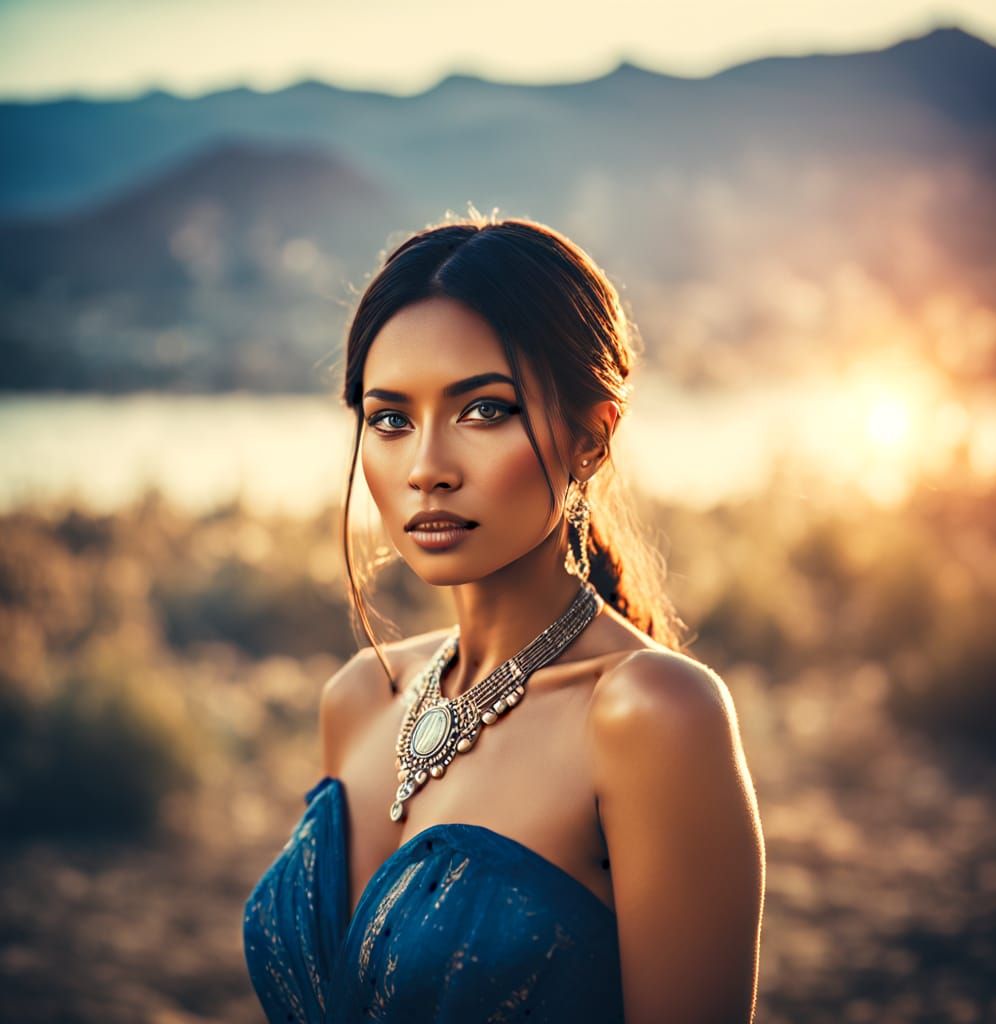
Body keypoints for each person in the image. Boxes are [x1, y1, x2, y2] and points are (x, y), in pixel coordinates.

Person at [243, 212, 765, 1023]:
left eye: (484, 410)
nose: (426, 468)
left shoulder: (652, 716)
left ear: (591, 437)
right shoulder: (359, 698)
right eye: (390, 420)